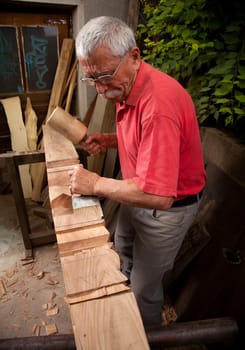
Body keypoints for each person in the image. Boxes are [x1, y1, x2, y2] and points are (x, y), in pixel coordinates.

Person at [70, 16, 206, 328]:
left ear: (134, 56)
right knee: (123, 249)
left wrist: (95, 183)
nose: (101, 89)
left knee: (145, 286)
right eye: (91, 79)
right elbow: (146, 141)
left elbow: (158, 195)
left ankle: (145, 336)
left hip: (165, 208)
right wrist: (110, 141)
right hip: (135, 194)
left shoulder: (159, 104)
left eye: (104, 76)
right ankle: (125, 307)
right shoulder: (126, 85)